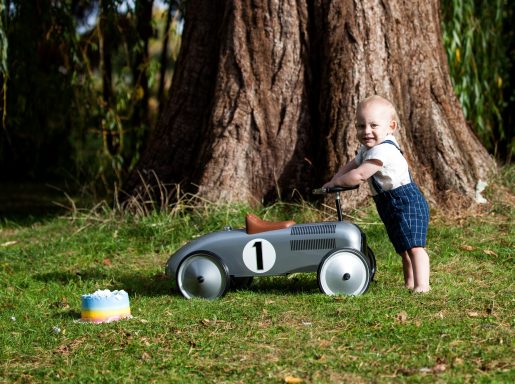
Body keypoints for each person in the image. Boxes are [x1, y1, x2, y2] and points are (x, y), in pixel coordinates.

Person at [323, 95, 431, 292]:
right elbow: (351, 166)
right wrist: (333, 180)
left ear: (391, 127)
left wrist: (338, 183)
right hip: (389, 204)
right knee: (403, 247)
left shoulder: (384, 150)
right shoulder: (366, 150)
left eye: (374, 125)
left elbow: (359, 174)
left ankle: (422, 285)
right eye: (360, 126)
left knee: (415, 247)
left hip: (406, 201)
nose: (367, 131)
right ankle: (409, 282)